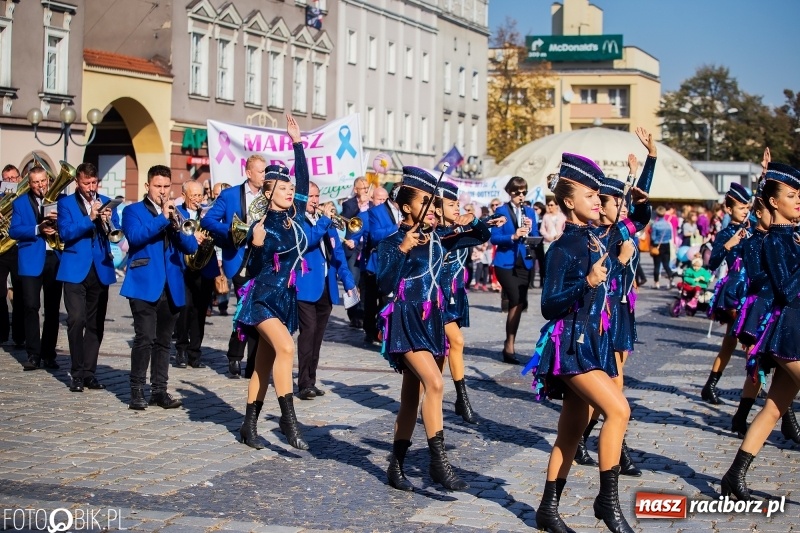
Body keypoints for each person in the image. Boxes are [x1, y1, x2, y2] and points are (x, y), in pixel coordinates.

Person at [524, 153, 635, 533]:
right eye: (590, 195)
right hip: (570, 344)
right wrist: (586, 282)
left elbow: (607, 276)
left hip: (594, 342)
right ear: (569, 201)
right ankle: (608, 502)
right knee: (618, 410)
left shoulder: (594, 240)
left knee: (571, 431)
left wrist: (619, 261)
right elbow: (548, 305)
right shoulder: (564, 247)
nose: (597, 201)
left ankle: (547, 509)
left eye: (598, 196)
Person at [377, 167, 476, 492]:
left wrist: (471, 223)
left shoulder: (438, 239)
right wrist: (403, 249)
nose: (433, 210)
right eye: (427, 203)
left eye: (435, 205)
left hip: (431, 322)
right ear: (407, 207)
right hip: (404, 321)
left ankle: (396, 466)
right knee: (435, 384)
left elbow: (480, 237)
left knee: (410, 399)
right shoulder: (391, 241)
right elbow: (384, 284)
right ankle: (439, 463)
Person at [576, 128, 656, 475]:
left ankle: (586, 438)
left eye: (621, 202)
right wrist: (621, 261)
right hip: (603, 313)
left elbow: (641, 211)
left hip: (624, 310)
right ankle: (615, 449)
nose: (620, 207)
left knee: (616, 381)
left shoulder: (621, 229)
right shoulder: (597, 236)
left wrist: (651, 160)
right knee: (615, 385)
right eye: (615, 201)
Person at [720, 161, 800, 500]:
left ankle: (733, 476)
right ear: (773, 202)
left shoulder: (793, 237)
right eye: (792, 195)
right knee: (774, 407)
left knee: (773, 409)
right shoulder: (773, 242)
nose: (799, 201)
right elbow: (786, 288)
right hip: (789, 333)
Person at [234, 115, 311, 451]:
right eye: (283, 187)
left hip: (286, 299)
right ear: (268, 192)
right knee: (286, 349)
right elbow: (249, 245)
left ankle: (248, 425)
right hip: (262, 298)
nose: (290, 190)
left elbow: (304, 181)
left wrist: (297, 144)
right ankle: (289, 421)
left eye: (290, 188)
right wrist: (255, 239)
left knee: (264, 364)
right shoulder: (261, 225)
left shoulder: (296, 217)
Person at [120, 165, 198, 410]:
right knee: (145, 338)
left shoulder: (176, 214)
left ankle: (159, 391)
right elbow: (135, 237)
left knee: (164, 341)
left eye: (166, 187)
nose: (162, 191)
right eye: (157, 186)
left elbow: (191, 247)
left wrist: (176, 226)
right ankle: (136, 391)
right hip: (143, 282)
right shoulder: (133, 211)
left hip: (171, 284)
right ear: (147, 187)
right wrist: (162, 219)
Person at [435, 181, 501, 424]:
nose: (457, 208)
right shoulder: (439, 235)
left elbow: (482, 234)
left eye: (457, 204)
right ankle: (461, 399)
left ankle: (439, 397)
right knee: (456, 341)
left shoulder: (455, 230)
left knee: (445, 350)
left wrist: (478, 219)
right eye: (451, 205)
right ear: (437, 209)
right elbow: (457, 236)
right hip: (434, 299)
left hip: (454, 294)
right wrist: (473, 224)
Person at [201, 156, 267, 378]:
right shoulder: (229, 196)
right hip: (239, 258)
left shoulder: (269, 197)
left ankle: (253, 363)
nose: (264, 176)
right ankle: (235, 356)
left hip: (262, 261)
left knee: (258, 312)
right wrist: (232, 231)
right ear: (248, 173)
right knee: (245, 307)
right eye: (261, 172)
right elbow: (208, 221)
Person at [56, 163, 119, 392]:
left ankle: (89, 373)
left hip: (100, 268)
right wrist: (90, 218)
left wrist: (108, 219)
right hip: (74, 269)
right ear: (77, 182)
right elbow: (65, 233)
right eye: (86, 183)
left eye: (94, 183)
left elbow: (115, 233)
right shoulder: (65, 203)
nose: (91, 187)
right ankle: (76, 372)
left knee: (95, 323)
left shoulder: (105, 200)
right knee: (76, 319)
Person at [296, 182, 357, 400]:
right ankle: (303, 383)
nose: (314, 200)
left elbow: (338, 255)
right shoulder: (298, 220)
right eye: (311, 196)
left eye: (317, 195)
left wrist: (349, 282)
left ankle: (311, 380)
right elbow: (309, 241)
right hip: (306, 286)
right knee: (308, 332)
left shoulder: (328, 224)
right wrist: (325, 220)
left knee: (318, 337)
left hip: (326, 287)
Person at [700, 182, 751, 405]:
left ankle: (711, 385)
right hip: (735, 292)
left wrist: (764, 175)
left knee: (735, 341)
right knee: (742, 341)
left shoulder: (753, 227)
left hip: (752, 290)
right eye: (741, 208)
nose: (746, 211)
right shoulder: (725, 233)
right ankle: (745, 391)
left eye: (747, 208)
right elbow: (712, 263)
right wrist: (728, 245)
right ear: (729, 209)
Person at [8, 164, 62, 371]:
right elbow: (14, 231)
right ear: (29, 184)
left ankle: (49, 354)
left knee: (52, 309)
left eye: (43, 181)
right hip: (31, 259)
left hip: (54, 257)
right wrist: (38, 228)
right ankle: (33, 354)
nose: (40, 185)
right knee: (31, 306)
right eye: (36, 182)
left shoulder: (60, 200)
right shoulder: (21, 202)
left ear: (48, 180)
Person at [490, 176, 540, 364]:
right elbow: (494, 238)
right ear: (509, 192)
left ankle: (509, 342)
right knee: (515, 299)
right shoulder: (500, 211)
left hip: (524, 263)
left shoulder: (530, 212)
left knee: (518, 304)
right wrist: (512, 235)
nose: (521, 195)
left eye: (524, 192)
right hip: (505, 264)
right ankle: (509, 344)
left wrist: (530, 231)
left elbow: (535, 236)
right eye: (517, 192)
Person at [174, 180, 220, 369]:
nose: (197, 199)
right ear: (183, 195)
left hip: (204, 266)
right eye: (193, 195)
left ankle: (195, 352)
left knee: (200, 311)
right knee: (184, 309)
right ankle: (181, 349)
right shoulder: (177, 212)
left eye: (200, 195)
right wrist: (191, 236)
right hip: (183, 268)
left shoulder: (208, 213)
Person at [362, 185, 401, 346]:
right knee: (371, 300)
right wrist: (395, 227)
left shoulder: (406, 211)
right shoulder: (376, 211)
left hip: (397, 261)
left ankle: (385, 331)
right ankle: (370, 331)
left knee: (390, 300)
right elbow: (374, 235)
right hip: (377, 262)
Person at [340, 176, 372, 329]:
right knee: (352, 280)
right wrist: (361, 206)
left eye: (367, 187)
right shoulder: (349, 204)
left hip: (366, 246)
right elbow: (348, 219)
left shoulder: (373, 204)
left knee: (364, 283)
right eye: (363, 188)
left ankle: (364, 314)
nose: (366, 190)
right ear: (355, 190)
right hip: (353, 247)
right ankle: (353, 315)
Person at [0, 164, 25, 348]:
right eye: (6, 179)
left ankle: (19, 335)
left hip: (18, 249)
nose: (10, 182)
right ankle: (1, 333)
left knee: (20, 293)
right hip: (1, 250)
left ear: (19, 178)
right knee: (0, 294)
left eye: (13, 178)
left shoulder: (24, 199)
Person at [649, 205, 674, 289]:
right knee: (666, 264)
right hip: (666, 245)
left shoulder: (655, 225)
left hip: (657, 246)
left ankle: (656, 283)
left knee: (657, 265)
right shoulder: (668, 224)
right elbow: (670, 236)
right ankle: (671, 278)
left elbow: (653, 237)